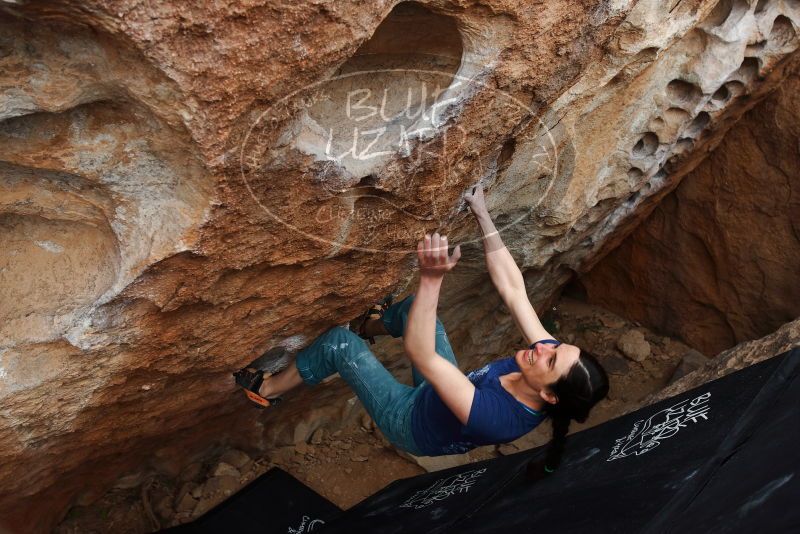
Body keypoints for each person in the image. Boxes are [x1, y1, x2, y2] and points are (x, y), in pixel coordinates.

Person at [241, 184, 608, 475]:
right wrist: (483, 215)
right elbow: (514, 291)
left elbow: (423, 355)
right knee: (417, 314)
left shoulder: (497, 419)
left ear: (550, 397)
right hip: (439, 394)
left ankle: (268, 389)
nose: (544, 346)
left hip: (411, 423)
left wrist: (430, 280)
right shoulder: (540, 364)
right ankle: (368, 324)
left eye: (552, 359)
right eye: (557, 346)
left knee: (340, 343)